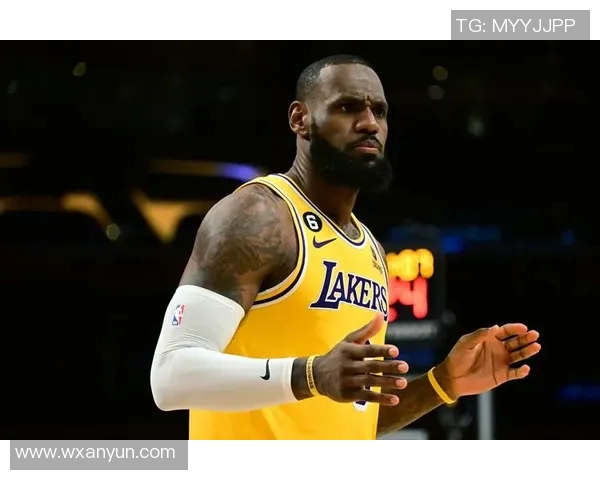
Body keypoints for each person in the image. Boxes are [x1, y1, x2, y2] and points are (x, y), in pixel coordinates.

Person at [150, 54, 541, 440]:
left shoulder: (371, 250)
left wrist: (443, 382)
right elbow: (169, 377)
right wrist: (311, 375)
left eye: (380, 111)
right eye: (347, 107)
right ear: (300, 119)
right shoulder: (259, 216)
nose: (370, 123)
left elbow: (353, 418)